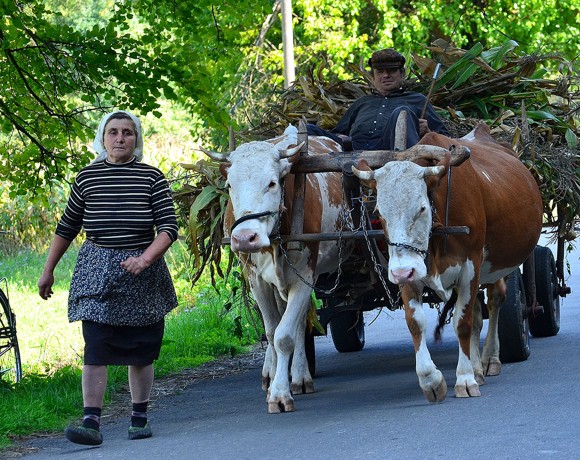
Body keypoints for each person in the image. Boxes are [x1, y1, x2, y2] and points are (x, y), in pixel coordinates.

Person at [38, 110, 179, 446]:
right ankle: (91, 422)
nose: (120, 139)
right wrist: (48, 270)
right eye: (113, 132)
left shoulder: (152, 178)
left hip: (143, 271)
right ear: (102, 138)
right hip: (97, 270)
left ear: (136, 139)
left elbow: (169, 228)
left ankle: (139, 417)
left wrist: (144, 259)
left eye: (127, 133)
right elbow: (67, 227)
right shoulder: (86, 179)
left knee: (142, 349)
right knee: (97, 345)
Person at [307, 48, 449, 150]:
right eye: (380, 72)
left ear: (402, 74)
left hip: (393, 150)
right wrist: (340, 136)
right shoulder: (362, 102)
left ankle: (406, 167)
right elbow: (338, 132)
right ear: (373, 77)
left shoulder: (417, 100)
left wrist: (428, 131)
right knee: (306, 130)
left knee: (402, 112)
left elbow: (445, 139)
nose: (385, 75)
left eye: (391, 71)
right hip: (354, 148)